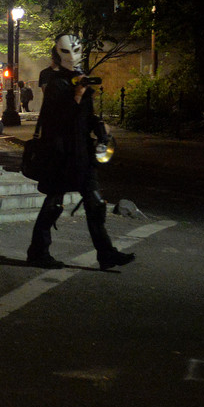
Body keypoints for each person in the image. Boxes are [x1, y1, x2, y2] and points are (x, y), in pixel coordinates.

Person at [26, 35, 135, 271]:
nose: (72, 57)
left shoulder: (80, 80)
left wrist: (100, 128)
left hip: (82, 152)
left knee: (95, 203)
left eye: (75, 51)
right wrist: (76, 94)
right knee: (54, 203)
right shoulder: (56, 83)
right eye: (66, 52)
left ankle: (106, 253)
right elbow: (58, 120)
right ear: (57, 54)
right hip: (61, 153)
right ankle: (38, 252)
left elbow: (87, 115)